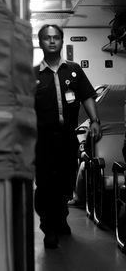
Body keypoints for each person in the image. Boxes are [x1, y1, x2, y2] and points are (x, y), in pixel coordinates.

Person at [34, 24, 102, 249]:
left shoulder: (73, 70)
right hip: (42, 140)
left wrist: (94, 121)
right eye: (46, 38)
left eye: (56, 38)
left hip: (67, 138)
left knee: (65, 181)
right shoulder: (32, 74)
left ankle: (61, 217)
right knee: (45, 185)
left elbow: (87, 96)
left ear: (62, 41)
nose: (52, 41)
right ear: (40, 42)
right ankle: (48, 227)